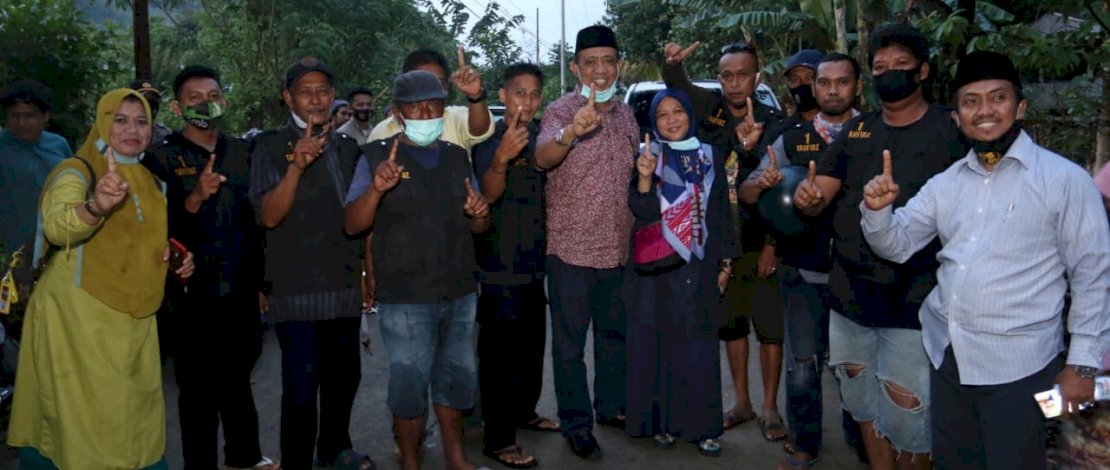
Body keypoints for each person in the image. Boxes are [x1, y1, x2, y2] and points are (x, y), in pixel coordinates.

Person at [860, 50, 1110, 470]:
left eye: (998, 98)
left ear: (1021, 106)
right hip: (948, 359)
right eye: (971, 101)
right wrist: (878, 210)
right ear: (956, 117)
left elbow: (1094, 274)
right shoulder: (946, 184)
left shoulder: (1065, 181)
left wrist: (1082, 366)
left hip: (1021, 369)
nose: (985, 111)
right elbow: (897, 245)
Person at [793, 24, 966, 470]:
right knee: (862, 402)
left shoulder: (951, 131)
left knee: (909, 411)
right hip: (850, 296)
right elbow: (820, 193)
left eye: (900, 66)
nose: (888, 74)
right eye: (879, 67)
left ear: (923, 71)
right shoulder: (857, 132)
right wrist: (808, 199)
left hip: (914, 300)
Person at [6, 88, 195, 469]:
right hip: (79, 320)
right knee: (84, 428)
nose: (132, 129)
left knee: (133, 422)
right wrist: (96, 206)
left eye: (141, 121)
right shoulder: (76, 170)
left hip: (134, 320)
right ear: (102, 122)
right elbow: (59, 226)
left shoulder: (150, 179)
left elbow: (143, 239)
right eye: (120, 120)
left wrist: (174, 258)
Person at [344, 69, 491, 470]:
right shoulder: (376, 156)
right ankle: (410, 461)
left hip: (459, 290)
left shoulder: (458, 155)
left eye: (435, 106)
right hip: (405, 296)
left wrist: (480, 213)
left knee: (456, 379)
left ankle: (456, 457)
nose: (427, 113)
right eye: (417, 107)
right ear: (397, 112)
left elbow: (479, 224)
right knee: (408, 385)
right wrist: (376, 188)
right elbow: (353, 225)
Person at [143, 65, 277, 470]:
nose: (206, 103)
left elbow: (258, 225)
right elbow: (154, 230)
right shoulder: (159, 159)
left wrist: (261, 284)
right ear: (177, 106)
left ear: (225, 100)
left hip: (240, 289)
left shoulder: (244, 152)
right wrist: (194, 199)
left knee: (238, 382)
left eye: (213, 95)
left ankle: (245, 459)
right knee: (197, 392)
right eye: (194, 97)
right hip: (188, 298)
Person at [248, 57, 371, 470]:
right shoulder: (267, 146)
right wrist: (296, 167)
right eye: (305, 91)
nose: (315, 99)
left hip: (344, 283)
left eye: (322, 90)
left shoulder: (349, 147)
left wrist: (369, 272)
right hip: (295, 288)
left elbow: (360, 214)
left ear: (333, 96)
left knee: (344, 380)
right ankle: (297, 459)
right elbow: (268, 216)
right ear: (288, 98)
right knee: (301, 386)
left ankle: (334, 449)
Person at [662, 39, 788, 442]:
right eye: (727, 76)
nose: (736, 83)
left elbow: (783, 191)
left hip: (762, 239)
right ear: (719, 79)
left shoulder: (776, 120)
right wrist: (673, 66)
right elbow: (677, 86)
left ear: (757, 76)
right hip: (719, 242)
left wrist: (774, 244)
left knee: (769, 328)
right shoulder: (708, 111)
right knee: (732, 326)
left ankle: (770, 408)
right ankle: (742, 402)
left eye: (743, 75)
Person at [740, 52, 861, 469]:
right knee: (803, 362)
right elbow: (748, 192)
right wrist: (764, 182)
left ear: (855, 87)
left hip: (861, 271)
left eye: (840, 82)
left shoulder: (874, 132)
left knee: (855, 363)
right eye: (822, 83)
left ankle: (861, 437)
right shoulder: (793, 137)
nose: (829, 90)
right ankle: (806, 440)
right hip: (802, 267)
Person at [534, 25, 638, 461]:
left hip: (619, 251)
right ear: (576, 67)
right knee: (570, 347)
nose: (600, 70)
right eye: (590, 62)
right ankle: (576, 424)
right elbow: (543, 157)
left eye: (608, 61)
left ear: (619, 65)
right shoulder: (560, 112)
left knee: (615, 337)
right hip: (571, 251)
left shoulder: (627, 114)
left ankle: (610, 407)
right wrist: (572, 133)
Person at [624, 88, 738, 457]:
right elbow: (640, 211)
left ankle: (703, 428)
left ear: (689, 114)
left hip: (700, 263)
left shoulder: (710, 155)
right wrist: (644, 179)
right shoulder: (649, 155)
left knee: (700, 347)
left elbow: (721, 210)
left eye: (678, 112)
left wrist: (725, 262)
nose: (671, 120)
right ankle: (664, 423)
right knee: (661, 346)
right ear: (653, 122)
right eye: (662, 115)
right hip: (659, 268)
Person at [471, 62, 555, 469]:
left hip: (535, 265)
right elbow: (486, 196)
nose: (527, 101)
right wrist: (502, 159)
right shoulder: (486, 142)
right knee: (498, 359)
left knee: (530, 350)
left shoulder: (542, 140)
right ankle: (498, 438)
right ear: (502, 96)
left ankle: (525, 412)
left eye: (534, 94)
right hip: (498, 266)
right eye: (519, 93)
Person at [368, 48, 494, 153]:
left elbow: (479, 129)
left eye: (437, 82)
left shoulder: (455, 117)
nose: (429, 88)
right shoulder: (381, 132)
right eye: (420, 81)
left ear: (447, 86)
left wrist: (475, 97)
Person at [0, 80, 71, 261]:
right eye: (15, 116)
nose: (22, 123)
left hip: (62, 242)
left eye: (29, 116)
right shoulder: (3, 147)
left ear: (45, 116)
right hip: (19, 249)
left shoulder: (58, 145)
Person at [783, 49, 824, 122]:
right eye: (794, 80)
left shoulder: (846, 124)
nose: (802, 83)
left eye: (810, 77)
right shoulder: (786, 130)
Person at [130, 79, 173, 145]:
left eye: (152, 100)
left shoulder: (166, 135)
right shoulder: (119, 134)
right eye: (143, 100)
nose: (148, 105)